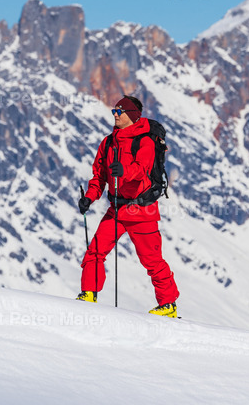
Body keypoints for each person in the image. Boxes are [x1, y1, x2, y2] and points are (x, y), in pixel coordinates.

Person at [75, 95, 180, 318]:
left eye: (119, 112)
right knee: (95, 250)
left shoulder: (145, 141)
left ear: (132, 115)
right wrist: (90, 198)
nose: (114, 115)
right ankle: (89, 293)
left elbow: (142, 168)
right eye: (114, 111)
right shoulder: (108, 142)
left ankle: (168, 304)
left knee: (151, 260)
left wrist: (124, 171)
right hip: (116, 209)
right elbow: (99, 176)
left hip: (141, 210)